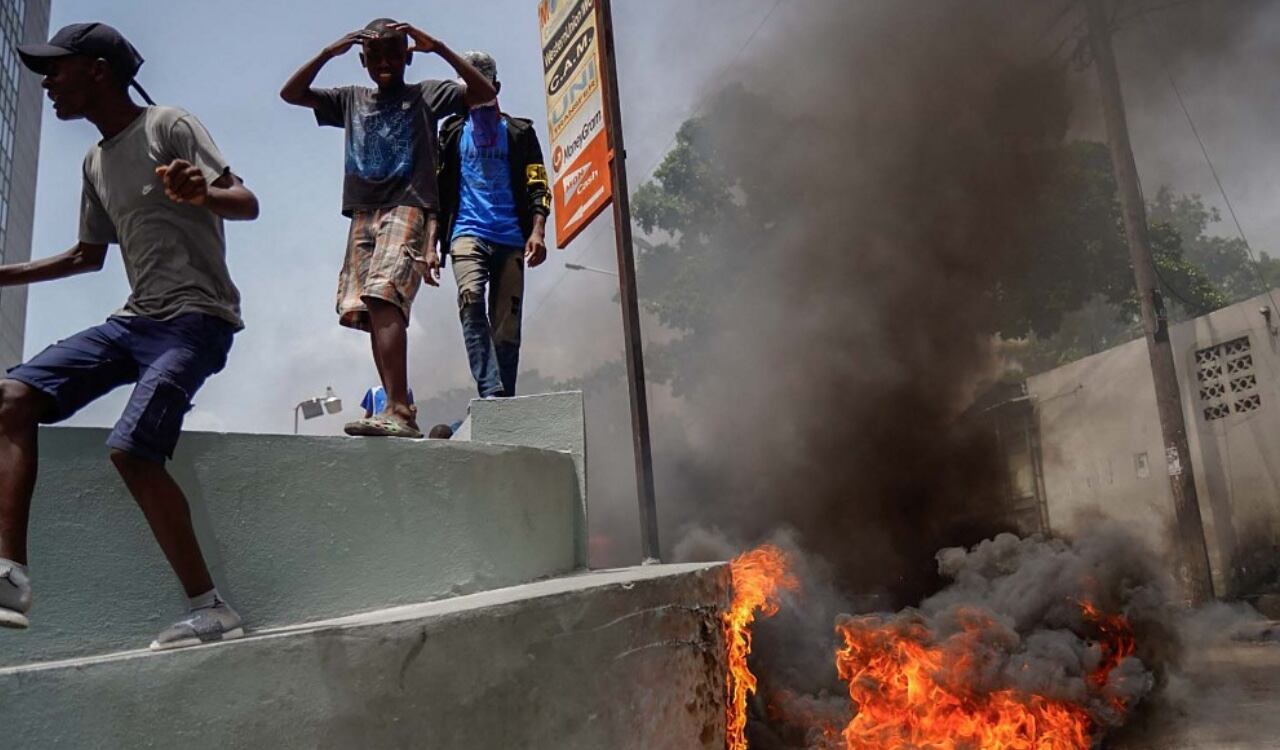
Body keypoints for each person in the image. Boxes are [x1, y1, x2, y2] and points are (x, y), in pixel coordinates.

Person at [0, 23, 259, 650]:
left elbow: (245, 200)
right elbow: (89, 256)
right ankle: (9, 576)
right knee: (11, 397)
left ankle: (211, 608)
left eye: (56, 69)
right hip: (135, 321)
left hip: (198, 318)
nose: (47, 83)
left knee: (133, 449)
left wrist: (205, 192)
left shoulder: (167, 124)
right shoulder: (94, 162)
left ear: (97, 69)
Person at [280, 19, 497, 438]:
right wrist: (329, 52)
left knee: (384, 295)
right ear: (362, 61)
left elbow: (483, 94)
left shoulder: (425, 94)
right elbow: (291, 94)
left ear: (406, 57)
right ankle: (397, 408)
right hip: (363, 211)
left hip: (409, 205)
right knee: (366, 308)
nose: (384, 62)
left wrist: (439, 47)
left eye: (393, 53)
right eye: (375, 56)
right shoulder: (351, 99)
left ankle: (398, 407)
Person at [437, 51, 551, 399]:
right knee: (470, 301)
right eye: (466, 88)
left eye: (480, 84)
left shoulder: (520, 133)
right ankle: (489, 389)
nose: (473, 94)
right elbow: (438, 191)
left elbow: (538, 183)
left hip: (510, 237)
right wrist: (430, 246)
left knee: (507, 326)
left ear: (496, 86)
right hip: (467, 233)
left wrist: (538, 231)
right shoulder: (452, 133)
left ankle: (504, 399)